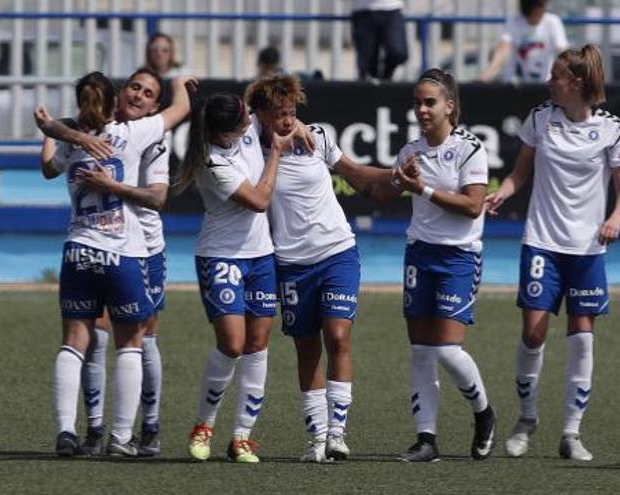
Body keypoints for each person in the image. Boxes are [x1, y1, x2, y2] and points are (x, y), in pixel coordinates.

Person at [484, 44, 620, 462]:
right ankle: (527, 418)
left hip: (586, 248)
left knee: (581, 334)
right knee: (533, 331)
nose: (549, 81)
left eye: (556, 76)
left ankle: (571, 432)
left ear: (577, 83)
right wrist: (502, 195)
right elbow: (519, 175)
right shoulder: (540, 118)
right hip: (542, 242)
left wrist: (616, 218)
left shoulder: (612, 129)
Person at [36, 70, 193, 457]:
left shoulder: (76, 142)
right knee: (130, 342)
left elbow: (48, 168)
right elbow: (183, 108)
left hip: (84, 249)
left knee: (78, 341)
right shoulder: (133, 134)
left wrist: (58, 130)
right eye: (133, 88)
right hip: (123, 251)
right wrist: (180, 82)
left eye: (147, 92)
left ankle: (71, 431)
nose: (139, 95)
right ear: (118, 97)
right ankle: (117, 436)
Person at [245, 74, 393, 462]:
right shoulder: (250, 153)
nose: (287, 121)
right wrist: (273, 150)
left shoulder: (317, 138)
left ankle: (338, 435)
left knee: (339, 336)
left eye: (291, 112)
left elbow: (356, 173)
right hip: (291, 263)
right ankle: (316, 438)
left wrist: (397, 177)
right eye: (278, 114)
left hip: (337, 251)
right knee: (307, 350)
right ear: (259, 114)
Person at [381, 68, 496, 463]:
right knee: (421, 352)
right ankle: (426, 439)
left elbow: (473, 206)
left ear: (450, 106)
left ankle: (483, 412)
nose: (422, 109)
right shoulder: (409, 151)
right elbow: (389, 191)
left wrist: (422, 188)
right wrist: (399, 182)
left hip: (459, 256)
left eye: (429, 102)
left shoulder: (470, 148)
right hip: (420, 253)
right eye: (417, 102)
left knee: (448, 350)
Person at [177, 93, 299, 464]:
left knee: (258, 344)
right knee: (233, 344)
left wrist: (296, 122)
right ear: (223, 133)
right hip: (221, 256)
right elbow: (260, 200)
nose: (250, 125)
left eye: (248, 117)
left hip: (261, 256)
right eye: (243, 123)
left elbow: (270, 101)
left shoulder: (242, 125)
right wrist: (275, 152)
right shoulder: (211, 163)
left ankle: (242, 437)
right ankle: (204, 425)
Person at [477, 0, 568, 83]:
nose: (542, 9)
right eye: (538, 5)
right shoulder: (513, 21)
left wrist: (569, 74)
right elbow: (503, 50)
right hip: (514, 86)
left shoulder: (553, 22)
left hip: (543, 84)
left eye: (543, 4)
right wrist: (486, 75)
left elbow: (562, 50)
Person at [350, 0, 409, 81]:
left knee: (398, 53)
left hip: (392, 9)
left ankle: (386, 78)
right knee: (367, 63)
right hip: (363, 12)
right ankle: (372, 88)